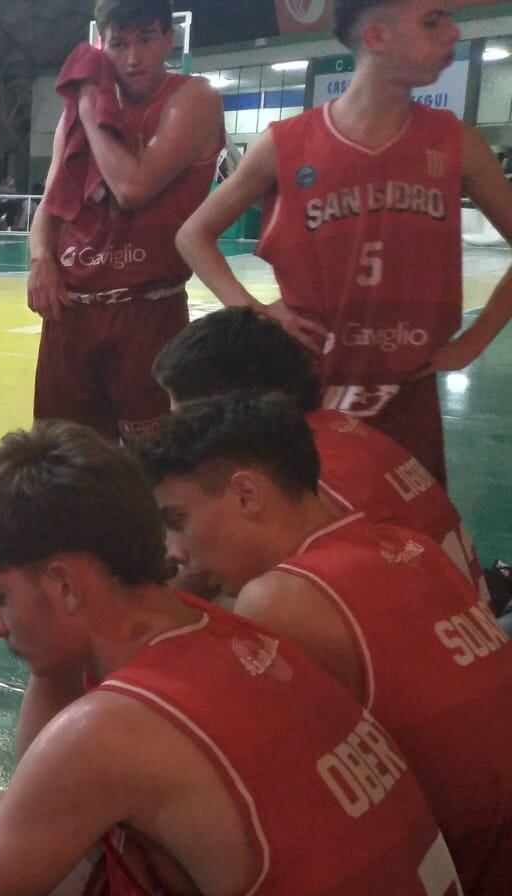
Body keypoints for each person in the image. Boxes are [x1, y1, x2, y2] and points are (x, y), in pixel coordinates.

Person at [0, 420, 457, 896]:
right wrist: (49, 656)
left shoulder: (112, 732)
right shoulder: (216, 620)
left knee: (2, 839)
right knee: (4, 820)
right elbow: (37, 787)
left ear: (67, 586)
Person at [136, 394, 512, 895]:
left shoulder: (281, 600)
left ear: (247, 495)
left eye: (178, 522)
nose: (177, 552)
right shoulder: (405, 544)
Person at [176, 0, 512, 485]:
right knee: (314, 536)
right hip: (310, 390)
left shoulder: (455, 141)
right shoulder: (286, 143)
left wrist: (473, 342)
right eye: (432, 21)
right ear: (376, 37)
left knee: (412, 541)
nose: (453, 33)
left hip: (407, 394)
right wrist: (254, 309)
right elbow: (192, 235)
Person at [152, 306, 492, 605]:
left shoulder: (291, 476)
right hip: (465, 627)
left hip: (411, 649)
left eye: (184, 410)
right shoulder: (337, 428)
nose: (173, 421)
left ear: (231, 405)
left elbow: (188, 587)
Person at [28, 0, 224, 443]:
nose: (132, 57)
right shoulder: (78, 113)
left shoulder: (193, 98)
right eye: (119, 44)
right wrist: (40, 258)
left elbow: (133, 187)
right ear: (102, 44)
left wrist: (88, 110)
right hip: (71, 310)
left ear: (168, 39)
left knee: (156, 465)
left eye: (146, 39)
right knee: (62, 460)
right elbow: (51, 201)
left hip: (148, 306)